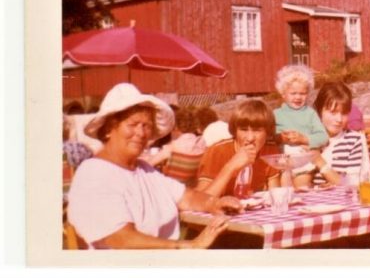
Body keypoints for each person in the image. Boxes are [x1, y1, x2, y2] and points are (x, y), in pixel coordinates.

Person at [67, 83, 241, 249]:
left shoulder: (144, 170)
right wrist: (189, 246)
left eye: (146, 126)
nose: (141, 133)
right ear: (109, 129)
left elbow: (186, 197)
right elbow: (121, 239)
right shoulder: (94, 174)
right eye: (133, 125)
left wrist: (213, 203)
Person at [196, 99, 281, 197]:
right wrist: (231, 166)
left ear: (268, 132)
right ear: (235, 130)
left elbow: (275, 196)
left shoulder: (269, 151)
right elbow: (200, 200)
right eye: (243, 130)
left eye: (257, 131)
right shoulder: (217, 151)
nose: (250, 138)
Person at [273, 64, 329, 187]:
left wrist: (305, 139)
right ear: (283, 94)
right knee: (284, 190)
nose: (298, 97)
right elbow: (269, 138)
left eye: (302, 93)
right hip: (283, 164)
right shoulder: (276, 114)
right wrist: (280, 138)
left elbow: (323, 137)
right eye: (293, 93)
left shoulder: (310, 114)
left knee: (302, 189)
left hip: (304, 163)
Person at [310, 82, 370, 186]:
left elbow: (352, 184)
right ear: (320, 111)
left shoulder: (354, 140)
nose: (339, 119)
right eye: (333, 112)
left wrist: (319, 162)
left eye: (344, 113)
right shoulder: (308, 139)